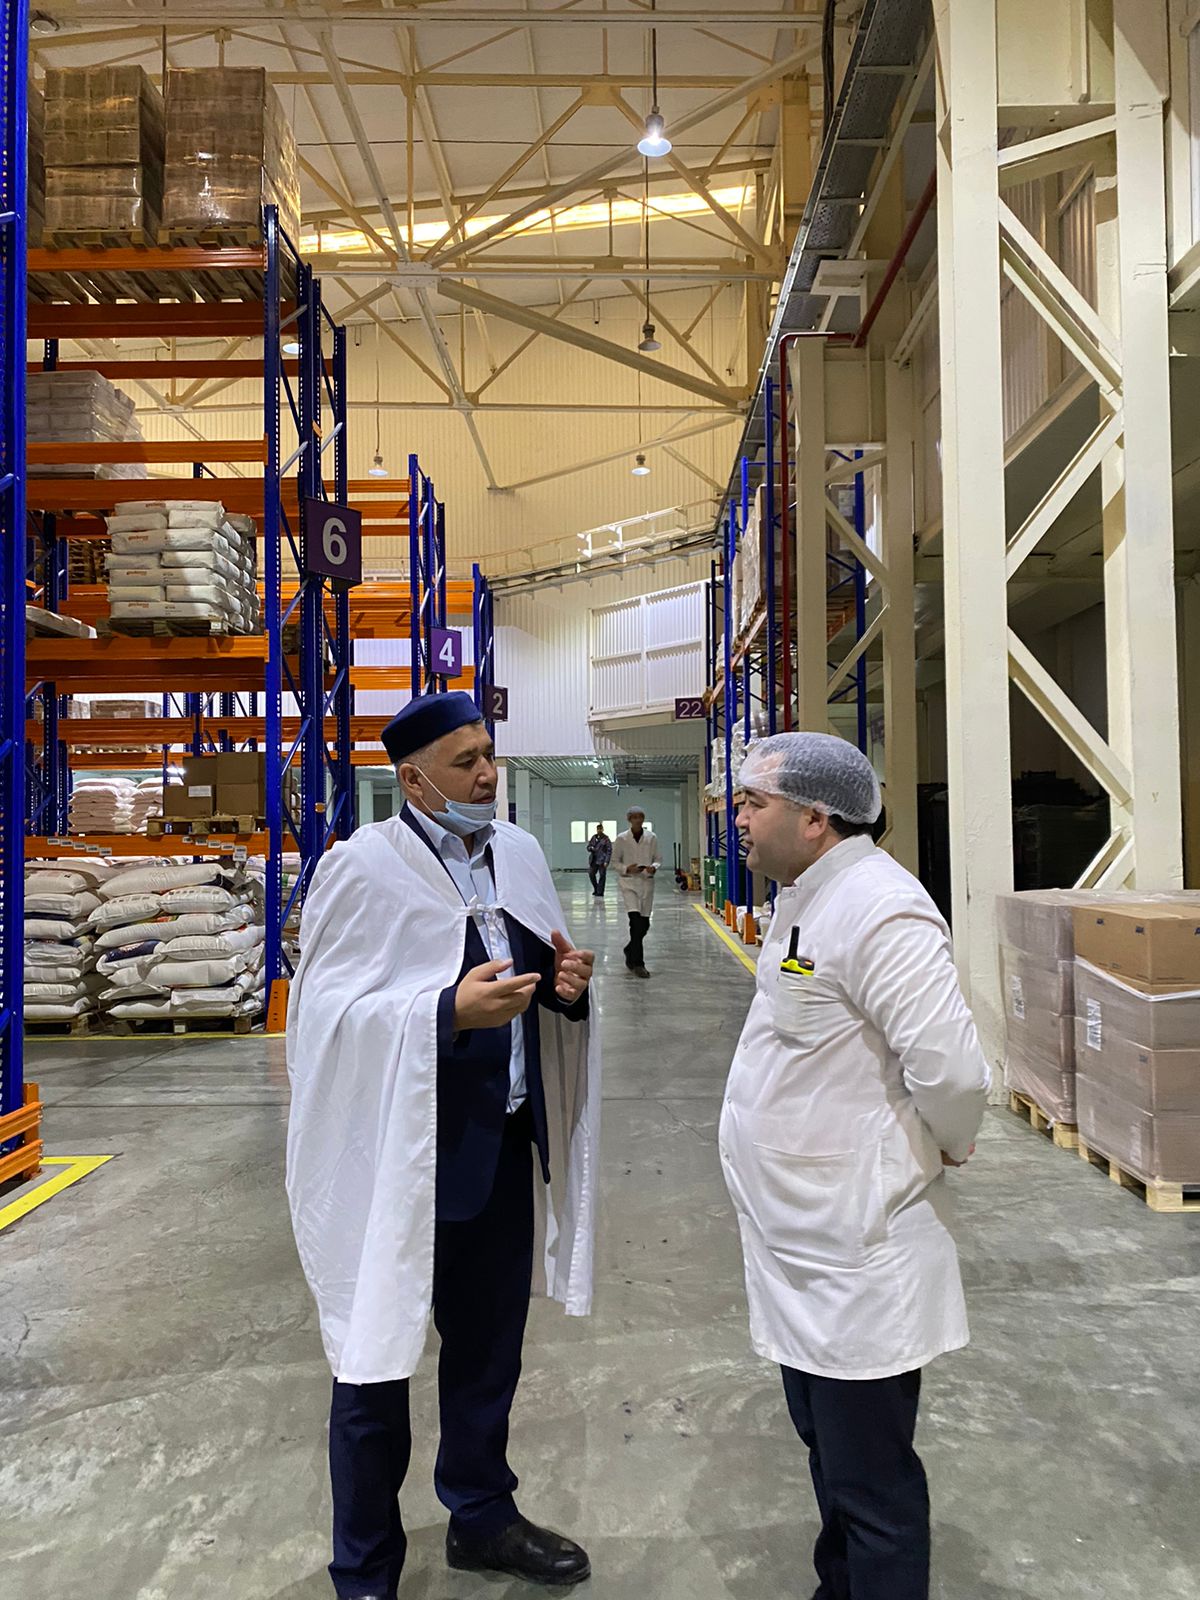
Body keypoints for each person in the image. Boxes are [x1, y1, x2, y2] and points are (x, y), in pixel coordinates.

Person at [286, 691, 600, 1600]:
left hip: (497, 1150)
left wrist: (566, 988)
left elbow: (538, 971)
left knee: (489, 1352)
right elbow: (323, 1017)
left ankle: (482, 1517)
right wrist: (442, 1010)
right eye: (466, 762)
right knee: (373, 1359)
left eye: (488, 755)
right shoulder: (363, 868)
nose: (488, 775)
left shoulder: (519, 854)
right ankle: (365, 1568)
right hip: (400, 1156)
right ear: (413, 780)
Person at [719, 732, 990, 1600]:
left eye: (754, 802)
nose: (738, 817)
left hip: (857, 1253)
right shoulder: (807, 896)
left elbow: (952, 1071)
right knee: (830, 1459)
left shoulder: (881, 908)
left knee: (872, 1485)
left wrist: (949, 1140)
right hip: (803, 1243)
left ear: (815, 818)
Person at [611, 806, 661, 978]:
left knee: (644, 924)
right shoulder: (622, 839)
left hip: (646, 883)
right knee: (635, 922)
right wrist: (627, 868)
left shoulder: (651, 838)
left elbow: (658, 859)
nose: (638, 820)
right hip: (629, 884)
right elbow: (614, 862)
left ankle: (629, 949)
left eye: (640, 817)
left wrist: (653, 867)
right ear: (629, 819)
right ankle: (638, 964)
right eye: (634, 817)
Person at [586, 823, 612, 896]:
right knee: (591, 874)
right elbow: (588, 847)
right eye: (598, 829)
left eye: (600, 829)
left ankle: (600, 892)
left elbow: (609, 850)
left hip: (602, 860)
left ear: (603, 830)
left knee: (602, 875)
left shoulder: (606, 839)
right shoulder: (594, 838)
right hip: (594, 860)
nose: (599, 830)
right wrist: (590, 848)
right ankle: (596, 888)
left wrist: (606, 861)